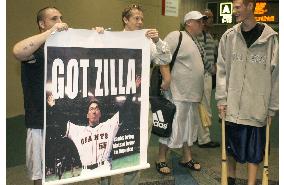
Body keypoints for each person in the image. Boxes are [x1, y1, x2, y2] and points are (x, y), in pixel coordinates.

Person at [215, 0, 278, 184]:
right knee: (231, 148)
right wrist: (221, 99)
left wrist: (272, 107)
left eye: (238, 7)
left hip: (257, 107)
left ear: (250, 6)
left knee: (254, 151)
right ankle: (231, 179)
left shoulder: (271, 40)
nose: (234, 11)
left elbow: (276, 77)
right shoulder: (229, 36)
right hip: (233, 106)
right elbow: (222, 70)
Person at [116, 4, 172, 185]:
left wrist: (157, 41)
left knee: (138, 148)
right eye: (136, 18)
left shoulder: (147, 41)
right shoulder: (113, 39)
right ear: (125, 20)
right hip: (116, 104)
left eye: (142, 19)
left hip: (140, 104)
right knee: (112, 148)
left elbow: (165, 59)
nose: (140, 22)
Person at [12, 7, 68, 185]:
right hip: (39, 121)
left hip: (61, 120)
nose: (59, 21)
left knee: (62, 172)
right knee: (40, 176)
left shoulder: (66, 47)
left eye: (60, 18)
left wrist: (98, 35)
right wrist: (51, 32)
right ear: (42, 24)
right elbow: (18, 51)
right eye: (54, 19)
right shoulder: (37, 49)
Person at [157, 11, 206, 175]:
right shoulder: (175, 36)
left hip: (191, 95)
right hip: (176, 93)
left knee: (188, 128)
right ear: (189, 23)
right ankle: (161, 158)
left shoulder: (195, 41)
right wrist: (167, 78)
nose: (202, 24)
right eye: (199, 22)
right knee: (171, 126)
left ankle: (186, 157)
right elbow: (161, 56)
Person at [195, 9, 220, 148]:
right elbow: (201, 56)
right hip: (203, 76)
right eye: (208, 18)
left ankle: (198, 136)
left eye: (210, 17)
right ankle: (204, 139)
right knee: (205, 108)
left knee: (200, 107)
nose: (210, 20)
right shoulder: (200, 36)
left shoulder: (208, 36)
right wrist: (212, 69)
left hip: (206, 76)